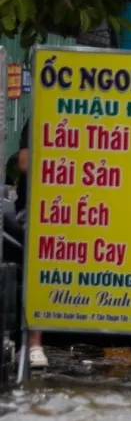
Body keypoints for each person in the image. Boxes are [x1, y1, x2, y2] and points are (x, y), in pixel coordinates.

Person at [8, 121, 47, 368]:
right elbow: (24, 163)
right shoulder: (39, 118)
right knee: (38, 267)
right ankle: (35, 343)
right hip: (37, 208)